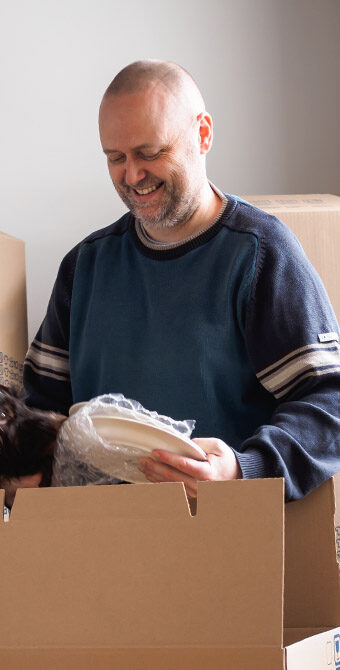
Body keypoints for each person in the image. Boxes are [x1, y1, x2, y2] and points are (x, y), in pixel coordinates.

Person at [23, 60, 340, 500]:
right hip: (96, 539)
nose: (132, 175)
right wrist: (22, 463)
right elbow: (39, 404)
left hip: (226, 537)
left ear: (203, 134)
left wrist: (241, 471)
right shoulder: (84, 267)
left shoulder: (259, 253)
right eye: (116, 158)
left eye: (150, 153)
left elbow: (329, 401)